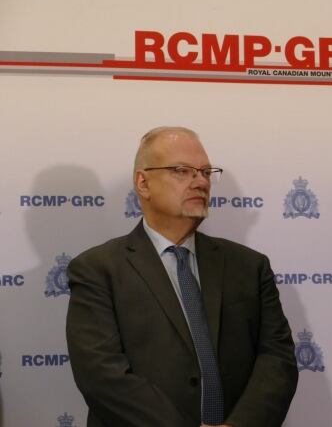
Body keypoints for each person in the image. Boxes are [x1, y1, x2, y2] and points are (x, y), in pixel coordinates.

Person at [66, 127, 298, 427]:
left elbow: (276, 359)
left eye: (205, 172)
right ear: (143, 183)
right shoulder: (97, 269)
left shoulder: (250, 266)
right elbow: (101, 375)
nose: (200, 181)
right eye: (182, 171)